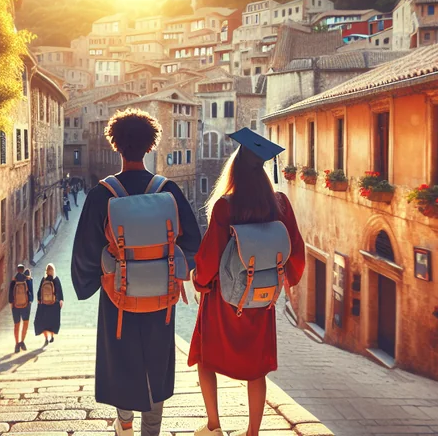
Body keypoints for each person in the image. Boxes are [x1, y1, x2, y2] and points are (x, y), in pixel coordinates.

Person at [71, 108, 202, 436]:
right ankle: (151, 430)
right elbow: (193, 241)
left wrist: (91, 279)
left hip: (118, 295)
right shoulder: (167, 189)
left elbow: (85, 250)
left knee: (122, 360)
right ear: (150, 145)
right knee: (156, 362)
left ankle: (125, 425)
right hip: (162, 295)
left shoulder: (103, 193)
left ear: (116, 146)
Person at [189, 128, 306, 436]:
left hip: (224, 301)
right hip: (262, 298)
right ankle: (252, 432)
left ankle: (214, 426)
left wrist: (200, 283)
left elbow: (210, 254)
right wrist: (287, 281)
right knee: (257, 368)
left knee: (206, 358)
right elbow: (295, 247)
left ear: (235, 169)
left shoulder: (225, 206)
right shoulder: (279, 203)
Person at [33, 263, 64, 345]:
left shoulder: (44, 280)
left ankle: (46, 338)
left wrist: (39, 301)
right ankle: (52, 336)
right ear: (53, 270)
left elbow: (39, 292)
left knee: (43, 322)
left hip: (44, 304)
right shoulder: (56, 279)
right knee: (52, 321)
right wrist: (61, 300)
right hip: (54, 304)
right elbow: (59, 291)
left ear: (46, 271)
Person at [11, 264, 33, 353]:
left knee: (16, 325)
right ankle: (22, 341)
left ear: (17, 270)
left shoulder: (13, 281)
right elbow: (31, 294)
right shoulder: (28, 280)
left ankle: (16, 344)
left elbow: (10, 296)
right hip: (26, 305)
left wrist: (12, 304)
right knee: (25, 323)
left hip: (15, 306)